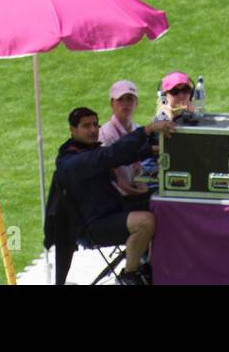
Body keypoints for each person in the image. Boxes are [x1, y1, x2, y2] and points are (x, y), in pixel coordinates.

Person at [56, 107, 173, 285]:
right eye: (86, 126)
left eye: (95, 124)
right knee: (145, 222)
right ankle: (129, 275)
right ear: (73, 130)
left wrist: (152, 150)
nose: (93, 130)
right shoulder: (71, 162)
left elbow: (116, 157)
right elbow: (111, 155)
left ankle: (149, 265)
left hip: (112, 209)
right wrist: (148, 129)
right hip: (93, 226)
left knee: (160, 202)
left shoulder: (87, 151)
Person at [99, 80, 148, 198]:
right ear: (112, 103)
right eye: (120, 99)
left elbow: (138, 166)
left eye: (130, 99)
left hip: (133, 191)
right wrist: (139, 194)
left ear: (137, 103)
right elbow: (113, 177)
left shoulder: (137, 129)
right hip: (115, 198)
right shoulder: (105, 134)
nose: (125, 104)